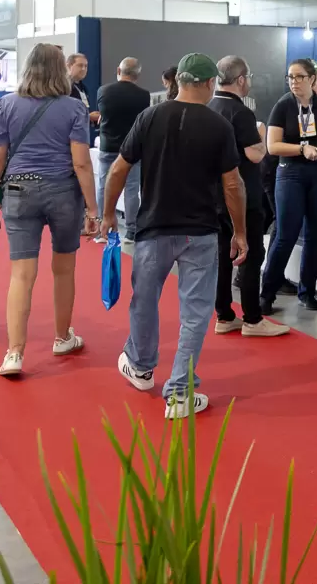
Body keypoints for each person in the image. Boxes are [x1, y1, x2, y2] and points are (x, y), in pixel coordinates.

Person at [102, 53, 248, 418]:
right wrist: (240, 232)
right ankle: (181, 394)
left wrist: (107, 215)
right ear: (210, 83)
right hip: (200, 232)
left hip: (153, 228)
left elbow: (118, 169)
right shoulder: (218, 125)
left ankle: (140, 366)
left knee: (144, 300)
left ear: (179, 81)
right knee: (195, 313)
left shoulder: (150, 117)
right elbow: (233, 184)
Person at [0, 43, 99, 377]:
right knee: (64, 269)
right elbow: (81, 162)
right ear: (61, 69)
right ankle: (62, 337)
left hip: (18, 191)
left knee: (21, 274)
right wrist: (93, 209)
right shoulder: (74, 107)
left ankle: (14, 353)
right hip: (64, 192)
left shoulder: (6, 104)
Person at [260, 58, 317, 313]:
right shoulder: (283, 106)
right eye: (290, 77)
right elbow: (272, 146)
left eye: (299, 77)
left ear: (312, 79)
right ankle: (267, 294)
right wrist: (301, 148)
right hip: (291, 173)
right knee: (286, 234)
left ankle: (307, 292)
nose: (294, 82)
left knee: (315, 235)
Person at [208, 56, 286, 337]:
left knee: (221, 256)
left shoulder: (210, 107)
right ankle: (252, 318)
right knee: (250, 254)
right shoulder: (240, 112)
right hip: (242, 195)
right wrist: (261, 133)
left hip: (214, 194)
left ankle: (224, 315)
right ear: (241, 79)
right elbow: (255, 154)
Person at [94, 57, 151, 244]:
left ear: (119, 70)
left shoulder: (103, 91)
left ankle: (102, 228)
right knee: (132, 189)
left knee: (103, 186)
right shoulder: (143, 95)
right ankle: (131, 232)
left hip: (107, 146)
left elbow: (103, 115)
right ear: (137, 75)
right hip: (132, 147)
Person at [67, 53, 99, 130]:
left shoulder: (83, 88)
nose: (83, 69)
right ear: (69, 66)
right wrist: (89, 117)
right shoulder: (64, 87)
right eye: (80, 65)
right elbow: (65, 114)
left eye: (86, 66)